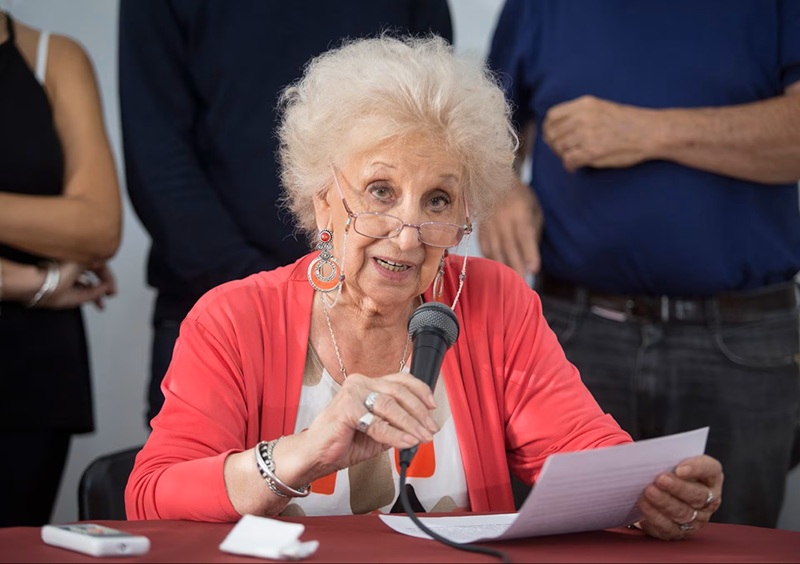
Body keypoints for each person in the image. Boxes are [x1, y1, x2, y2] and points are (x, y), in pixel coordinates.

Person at [126, 35, 723, 541]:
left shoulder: (495, 301)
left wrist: (653, 489)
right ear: (323, 198)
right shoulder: (234, 317)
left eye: (437, 200)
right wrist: (309, 450)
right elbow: (151, 498)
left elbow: (581, 448)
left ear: (466, 212)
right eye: (380, 191)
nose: (409, 236)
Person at [482, 0, 800, 528]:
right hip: (569, 333)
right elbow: (489, 131)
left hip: (739, 344)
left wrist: (646, 131)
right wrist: (502, 189)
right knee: (554, 542)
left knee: (729, 544)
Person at [117, 0, 453, 426]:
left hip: (383, 310)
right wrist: (277, 302)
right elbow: (157, 161)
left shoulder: (494, 305)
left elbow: (431, 136)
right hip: (216, 305)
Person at [0, 10, 121, 526]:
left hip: (27, 372)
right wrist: (30, 280)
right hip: (41, 303)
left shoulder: (53, 56)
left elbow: (99, 226)